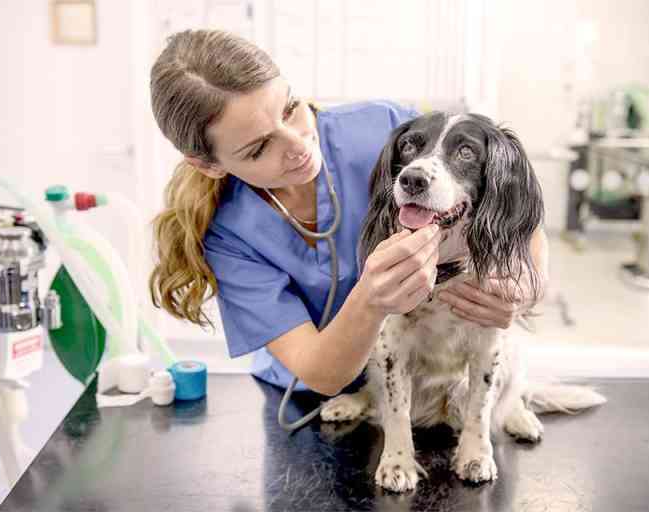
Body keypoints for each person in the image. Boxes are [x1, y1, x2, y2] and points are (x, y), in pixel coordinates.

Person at [148, 29, 549, 397]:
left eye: (290, 108)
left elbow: (511, 207)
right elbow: (321, 374)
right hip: (311, 401)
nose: (299, 144)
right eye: (258, 148)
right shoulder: (228, 236)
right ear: (209, 165)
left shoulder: (387, 129)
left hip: (420, 383)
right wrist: (371, 300)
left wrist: (526, 289)